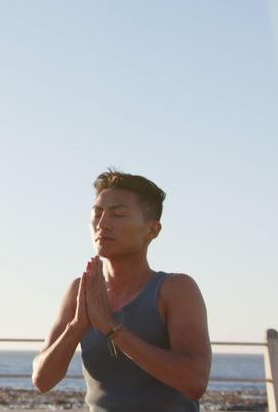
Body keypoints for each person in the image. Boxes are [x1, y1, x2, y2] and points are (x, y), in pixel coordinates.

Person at [32, 169, 211, 411]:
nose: (103, 224)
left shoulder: (175, 289)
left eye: (118, 215)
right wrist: (76, 327)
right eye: (97, 213)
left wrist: (111, 328)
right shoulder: (79, 291)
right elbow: (42, 381)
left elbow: (194, 383)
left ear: (152, 230)